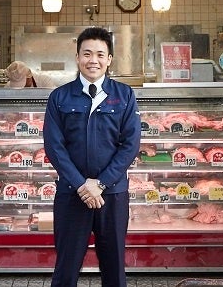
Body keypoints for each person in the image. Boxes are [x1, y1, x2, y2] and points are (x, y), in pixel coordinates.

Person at [42, 26, 141, 287]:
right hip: (72, 194)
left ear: (109, 59)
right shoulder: (60, 97)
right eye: (87, 54)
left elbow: (130, 144)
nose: (93, 60)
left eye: (100, 54)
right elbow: (54, 146)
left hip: (112, 195)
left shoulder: (124, 95)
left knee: (114, 269)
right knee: (66, 269)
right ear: (77, 57)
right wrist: (81, 185)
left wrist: (101, 183)